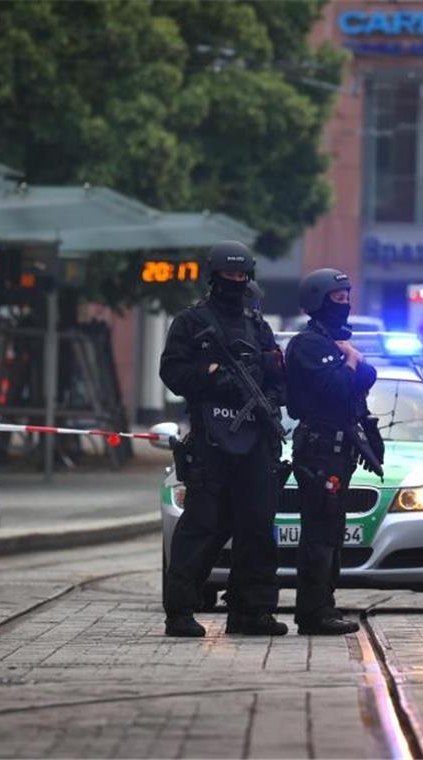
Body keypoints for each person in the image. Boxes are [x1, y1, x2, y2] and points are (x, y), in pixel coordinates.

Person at [158, 241, 288, 638]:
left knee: (257, 527)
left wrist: (270, 399)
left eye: (241, 276)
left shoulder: (258, 326)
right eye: (229, 276)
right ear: (214, 277)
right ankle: (180, 612)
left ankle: (252, 612)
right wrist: (212, 378)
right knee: (202, 527)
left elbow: (279, 379)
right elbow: (172, 372)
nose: (236, 282)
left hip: (254, 445)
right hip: (211, 444)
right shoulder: (191, 322)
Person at [285, 268, 381, 635]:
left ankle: (325, 604)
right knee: (320, 534)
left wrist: (353, 360)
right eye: (338, 299)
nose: (345, 305)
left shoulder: (333, 342)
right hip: (320, 449)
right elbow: (339, 385)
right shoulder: (309, 344)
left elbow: (367, 377)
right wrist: (351, 362)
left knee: (332, 532)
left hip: (337, 449)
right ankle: (313, 612)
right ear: (318, 301)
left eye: (347, 298)